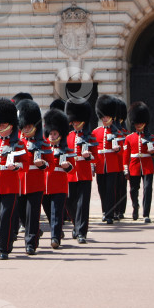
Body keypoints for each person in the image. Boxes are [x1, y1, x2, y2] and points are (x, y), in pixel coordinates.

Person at [0, 98, 28, 260]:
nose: (1, 129)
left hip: (10, 186)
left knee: (6, 215)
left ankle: (3, 248)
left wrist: (16, 167)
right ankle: (7, 240)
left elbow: (26, 164)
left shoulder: (20, 144)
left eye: (3, 126)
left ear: (10, 125)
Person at [16, 99, 47, 254]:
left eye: (30, 125)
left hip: (36, 182)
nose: (27, 128)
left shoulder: (43, 142)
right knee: (22, 214)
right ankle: (32, 235)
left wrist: (43, 164)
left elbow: (52, 163)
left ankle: (31, 243)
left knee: (33, 214)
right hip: (20, 182)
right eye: (25, 125)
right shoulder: (16, 142)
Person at [123, 102, 154, 223]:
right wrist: (126, 169)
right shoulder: (129, 138)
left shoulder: (151, 137)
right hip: (134, 166)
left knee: (147, 189)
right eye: (137, 123)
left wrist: (153, 151)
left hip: (147, 166)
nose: (139, 125)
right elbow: (126, 155)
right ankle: (135, 206)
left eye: (141, 123)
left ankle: (146, 213)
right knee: (134, 190)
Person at [42, 108, 74, 250]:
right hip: (45, 185)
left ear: (60, 134)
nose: (52, 136)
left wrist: (67, 166)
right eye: (51, 133)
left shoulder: (66, 150)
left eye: (55, 133)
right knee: (49, 212)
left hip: (59, 185)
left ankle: (55, 237)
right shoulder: (43, 148)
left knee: (57, 212)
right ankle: (57, 231)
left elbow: (73, 168)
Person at [65, 99, 94, 244]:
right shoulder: (67, 136)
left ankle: (81, 232)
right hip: (70, 174)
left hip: (84, 173)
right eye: (73, 121)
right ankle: (76, 224)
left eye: (77, 121)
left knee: (83, 204)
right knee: (70, 202)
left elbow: (97, 157)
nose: (75, 123)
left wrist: (89, 157)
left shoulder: (90, 136)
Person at [92, 95, 123, 225]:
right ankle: (105, 211)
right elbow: (94, 150)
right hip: (100, 164)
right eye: (103, 117)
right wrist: (93, 164)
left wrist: (118, 149)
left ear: (112, 117)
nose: (105, 119)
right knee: (102, 189)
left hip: (112, 165)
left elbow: (123, 150)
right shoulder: (96, 132)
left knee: (111, 190)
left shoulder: (118, 132)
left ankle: (109, 214)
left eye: (107, 117)